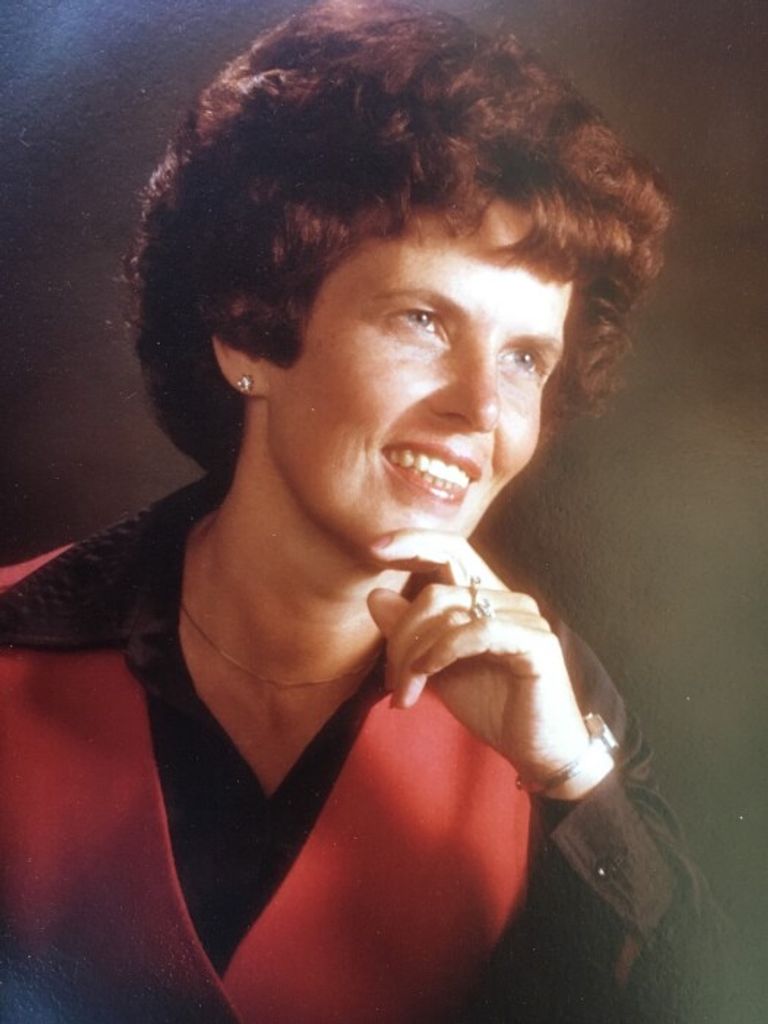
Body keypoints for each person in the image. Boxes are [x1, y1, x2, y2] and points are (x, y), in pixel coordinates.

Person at [0, 3, 721, 1021]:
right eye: (423, 319)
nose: (482, 408)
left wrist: (570, 778)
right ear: (248, 331)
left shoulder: (565, 714)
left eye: (526, 357)